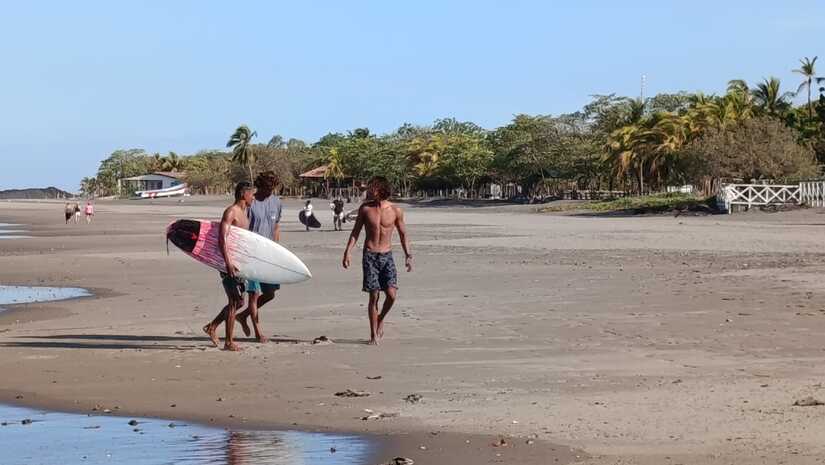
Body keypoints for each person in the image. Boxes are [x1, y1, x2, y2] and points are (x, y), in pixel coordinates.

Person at [342, 176, 412, 345]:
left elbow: (403, 235)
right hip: (370, 255)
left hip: (387, 256)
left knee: (391, 295)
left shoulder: (396, 210)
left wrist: (408, 255)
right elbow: (355, 232)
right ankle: (373, 335)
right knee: (373, 296)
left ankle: (380, 318)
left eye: (372, 187)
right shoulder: (365, 209)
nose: (369, 190)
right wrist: (347, 252)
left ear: (380, 189)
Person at [202, 181, 254, 351]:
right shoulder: (231, 212)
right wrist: (228, 262)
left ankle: (212, 326)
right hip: (228, 263)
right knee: (234, 301)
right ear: (242, 194)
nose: (253, 196)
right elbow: (221, 238)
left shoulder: (245, 212)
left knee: (239, 302)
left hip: (239, 263)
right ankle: (229, 342)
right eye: (251, 194)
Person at [235, 171, 283, 343]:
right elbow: (241, 227)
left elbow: (276, 226)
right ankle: (258, 331)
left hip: (269, 253)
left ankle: (243, 316)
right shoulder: (250, 203)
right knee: (254, 294)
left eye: (272, 188)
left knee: (270, 293)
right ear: (259, 186)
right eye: (266, 188)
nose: (269, 191)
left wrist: (277, 249)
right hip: (252, 254)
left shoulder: (277, 202)